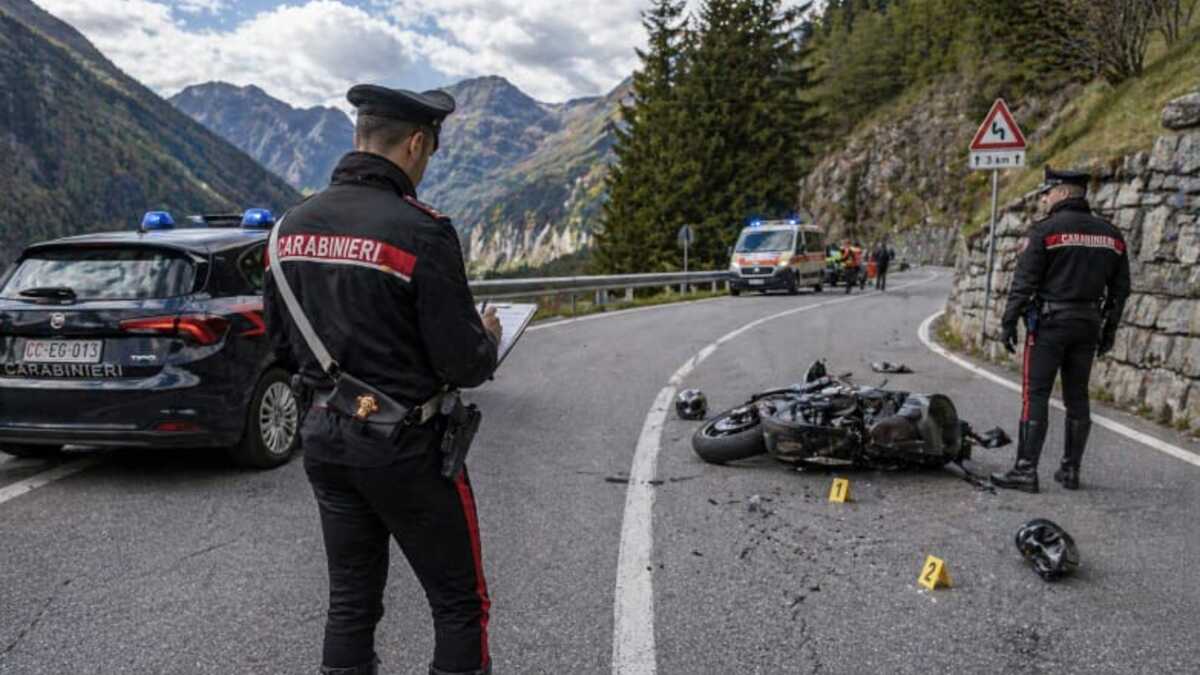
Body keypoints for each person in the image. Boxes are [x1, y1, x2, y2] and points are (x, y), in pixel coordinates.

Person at [264, 83, 503, 675]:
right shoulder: (421, 231)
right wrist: (487, 336)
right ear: (417, 144)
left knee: (350, 602)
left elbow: (281, 345)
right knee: (457, 604)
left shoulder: (288, 228)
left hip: (324, 436)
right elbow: (464, 365)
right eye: (430, 153)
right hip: (407, 447)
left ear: (360, 135)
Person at [992, 167, 1131, 494]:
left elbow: (1024, 283)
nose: (1044, 198)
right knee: (1077, 395)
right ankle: (1070, 470)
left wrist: (1008, 322)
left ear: (1064, 193)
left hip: (1050, 325)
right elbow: (1121, 290)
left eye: (1048, 192)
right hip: (1088, 324)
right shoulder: (1112, 235)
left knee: (1036, 394)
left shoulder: (1045, 231)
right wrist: (1109, 330)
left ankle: (1025, 470)